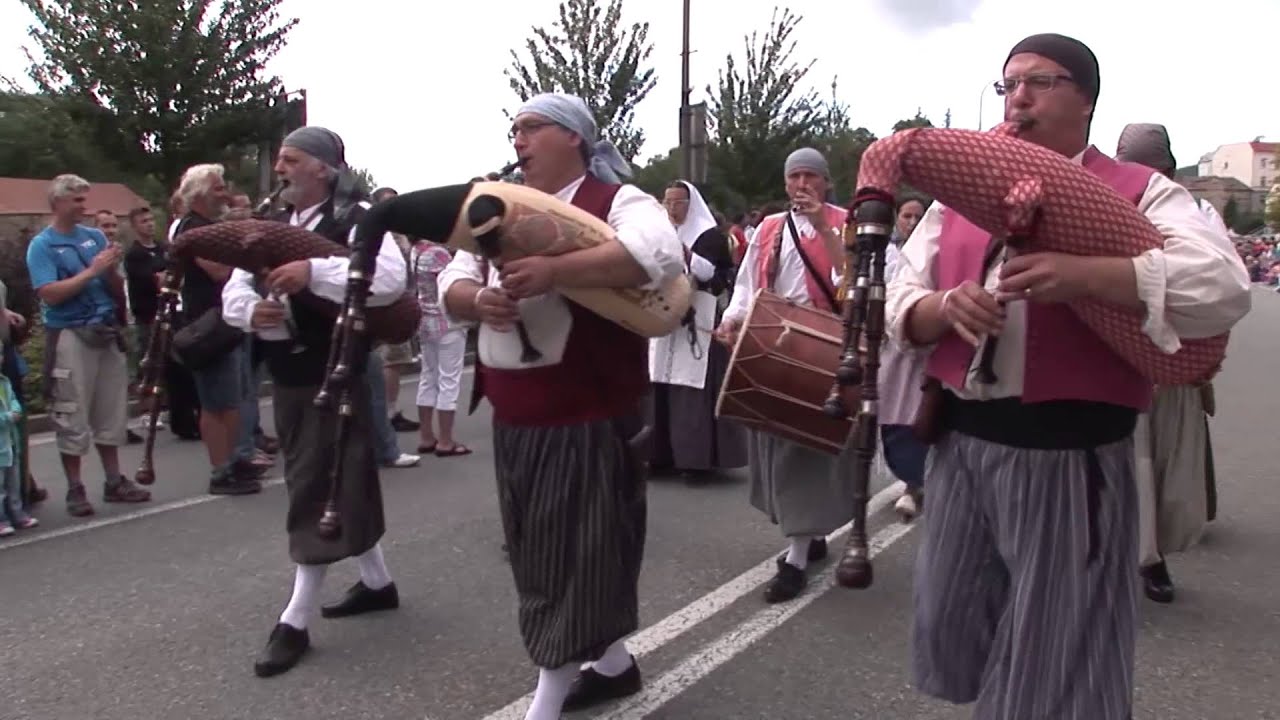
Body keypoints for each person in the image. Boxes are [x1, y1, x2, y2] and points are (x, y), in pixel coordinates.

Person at [890, 34, 1251, 718]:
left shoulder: (1145, 191)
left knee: (1054, 657)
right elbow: (899, 293)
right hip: (961, 444)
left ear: (1085, 99)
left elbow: (1223, 288)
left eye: (1038, 82)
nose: (1017, 97)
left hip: (1068, 452)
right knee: (957, 623)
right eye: (1008, 85)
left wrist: (1095, 277)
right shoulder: (960, 193)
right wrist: (940, 307)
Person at [439, 92, 684, 720]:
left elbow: (657, 256)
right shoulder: (495, 206)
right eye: (514, 128)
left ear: (573, 137)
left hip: (591, 409)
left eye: (531, 127)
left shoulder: (620, 202)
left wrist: (555, 272)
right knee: (541, 545)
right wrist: (477, 301)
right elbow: (452, 278)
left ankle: (546, 699)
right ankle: (614, 665)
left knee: (572, 553)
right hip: (518, 410)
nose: (518, 139)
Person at [221, 127, 407, 677]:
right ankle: (377, 583)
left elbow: (390, 279)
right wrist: (250, 312)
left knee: (314, 482)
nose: (279, 168)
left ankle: (295, 619)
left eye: (291, 159)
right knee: (338, 475)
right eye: (280, 159)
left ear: (324, 168)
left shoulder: (359, 216)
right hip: (290, 372)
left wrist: (313, 271)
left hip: (340, 367)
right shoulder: (272, 223)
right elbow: (236, 285)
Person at [714, 147, 855, 604]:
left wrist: (826, 230)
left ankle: (795, 556)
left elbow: (858, 281)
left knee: (803, 452)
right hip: (773, 338)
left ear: (825, 182)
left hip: (823, 343)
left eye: (810, 176)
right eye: (795, 176)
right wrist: (733, 318)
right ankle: (807, 535)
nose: (802, 185)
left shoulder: (847, 222)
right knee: (775, 444)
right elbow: (747, 283)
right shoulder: (770, 229)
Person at [1115, 122, 1228, 603]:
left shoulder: (1195, 213)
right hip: (1115, 351)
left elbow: (1221, 287)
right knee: (1116, 462)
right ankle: (1118, 558)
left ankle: (1153, 559)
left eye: (1147, 166)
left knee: (1163, 463)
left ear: (1165, 169)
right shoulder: (1102, 200)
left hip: (1174, 356)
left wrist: (1207, 355)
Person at [26, 174, 152, 517]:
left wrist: (111, 272)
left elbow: (114, 284)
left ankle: (114, 480)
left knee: (110, 409)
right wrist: (93, 270)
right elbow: (48, 293)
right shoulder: (43, 245)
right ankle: (75, 488)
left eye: (85, 199)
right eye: (77, 201)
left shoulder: (95, 237)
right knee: (72, 411)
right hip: (69, 333)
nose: (84, 207)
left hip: (105, 330)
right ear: (58, 203)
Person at [649, 180, 746, 479]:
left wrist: (687, 255)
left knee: (691, 387)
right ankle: (658, 455)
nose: (672, 208)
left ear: (691, 205)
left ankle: (695, 459)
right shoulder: (659, 230)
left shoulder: (709, 236)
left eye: (678, 202)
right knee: (658, 382)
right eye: (668, 202)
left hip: (698, 315)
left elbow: (717, 276)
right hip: (661, 316)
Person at [880, 196, 931, 522]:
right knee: (890, 417)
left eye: (918, 216)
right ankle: (908, 476)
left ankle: (913, 485)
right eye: (907, 216)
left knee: (917, 418)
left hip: (923, 348)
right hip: (889, 347)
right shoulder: (886, 254)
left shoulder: (929, 254)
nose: (912, 222)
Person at [410, 237, 469, 456]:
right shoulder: (438, 254)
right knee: (449, 380)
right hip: (446, 322)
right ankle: (446, 440)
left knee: (428, 377)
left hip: (424, 320)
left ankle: (426, 436)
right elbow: (449, 285)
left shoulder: (416, 250)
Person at [0, 350, 36, 536]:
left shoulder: (4, 381)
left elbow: (14, 399)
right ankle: (2, 519)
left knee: (13, 483)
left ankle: (18, 513)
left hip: (10, 442)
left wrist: (16, 410)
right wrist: (7, 417)